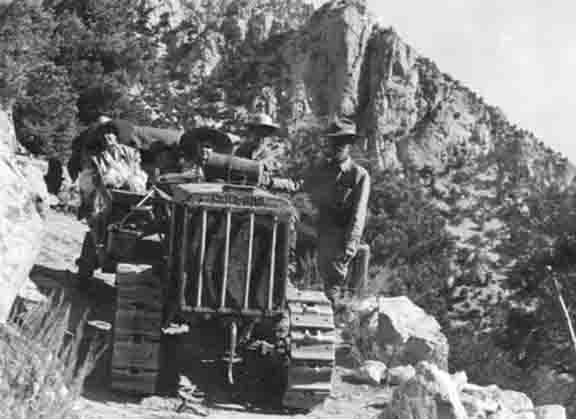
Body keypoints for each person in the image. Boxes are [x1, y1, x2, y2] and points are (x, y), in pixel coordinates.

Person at [269, 118, 371, 304]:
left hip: (336, 236)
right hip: (312, 230)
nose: (337, 146)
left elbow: (359, 214)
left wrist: (351, 244)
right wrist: (272, 182)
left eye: (342, 142)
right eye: (334, 141)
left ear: (350, 144)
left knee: (332, 287)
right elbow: (298, 185)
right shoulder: (320, 168)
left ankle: (334, 320)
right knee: (294, 276)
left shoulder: (358, 175)